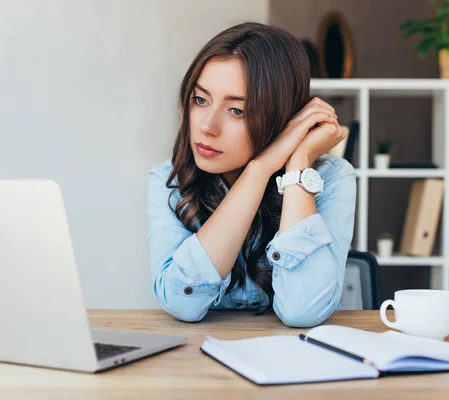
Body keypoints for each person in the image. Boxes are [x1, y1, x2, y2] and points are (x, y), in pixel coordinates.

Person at [146, 22, 356, 328]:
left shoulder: (331, 177)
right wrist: (260, 169)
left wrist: (297, 166)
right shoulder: (170, 179)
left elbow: (302, 311)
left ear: (280, 117)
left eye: (237, 111)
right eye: (201, 100)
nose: (207, 126)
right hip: (199, 364)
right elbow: (182, 302)